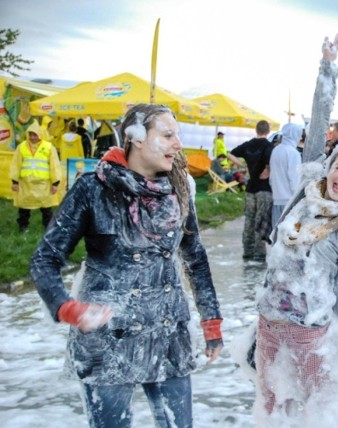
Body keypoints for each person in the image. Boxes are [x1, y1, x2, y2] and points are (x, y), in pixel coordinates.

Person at [29, 104, 224, 428]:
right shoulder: (93, 189)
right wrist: (66, 307)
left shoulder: (178, 189)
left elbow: (196, 259)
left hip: (167, 333)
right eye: (167, 135)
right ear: (135, 138)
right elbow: (44, 259)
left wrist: (211, 320)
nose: (178, 144)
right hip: (107, 337)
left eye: (177, 135)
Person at [253, 31, 338, 427]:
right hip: (269, 320)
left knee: (317, 411)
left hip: (312, 330)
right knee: (270, 406)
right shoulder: (308, 188)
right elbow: (319, 120)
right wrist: (328, 66)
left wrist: (336, 342)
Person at [227, 120, 273, 261]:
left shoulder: (248, 145)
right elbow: (270, 162)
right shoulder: (268, 146)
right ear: (268, 130)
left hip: (250, 188)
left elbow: (229, 154)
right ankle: (259, 253)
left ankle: (247, 251)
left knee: (249, 220)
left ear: (256, 129)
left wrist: (243, 164)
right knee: (260, 220)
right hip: (264, 189)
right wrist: (267, 171)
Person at [9, 121, 62, 232]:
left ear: (40, 135)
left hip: (43, 185)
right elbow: (16, 164)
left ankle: (48, 229)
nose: (32, 137)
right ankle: (23, 228)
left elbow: (54, 165)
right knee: (24, 208)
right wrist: (14, 181)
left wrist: (55, 183)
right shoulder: (21, 147)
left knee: (46, 209)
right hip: (26, 184)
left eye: (35, 134)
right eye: (30, 134)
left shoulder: (48, 147)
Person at [269, 122, 303, 230]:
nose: (300, 137)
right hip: (289, 201)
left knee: (276, 234)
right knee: (288, 236)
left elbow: (271, 177)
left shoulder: (276, 150)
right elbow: (294, 180)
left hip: (277, 198)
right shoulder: (293, 153)